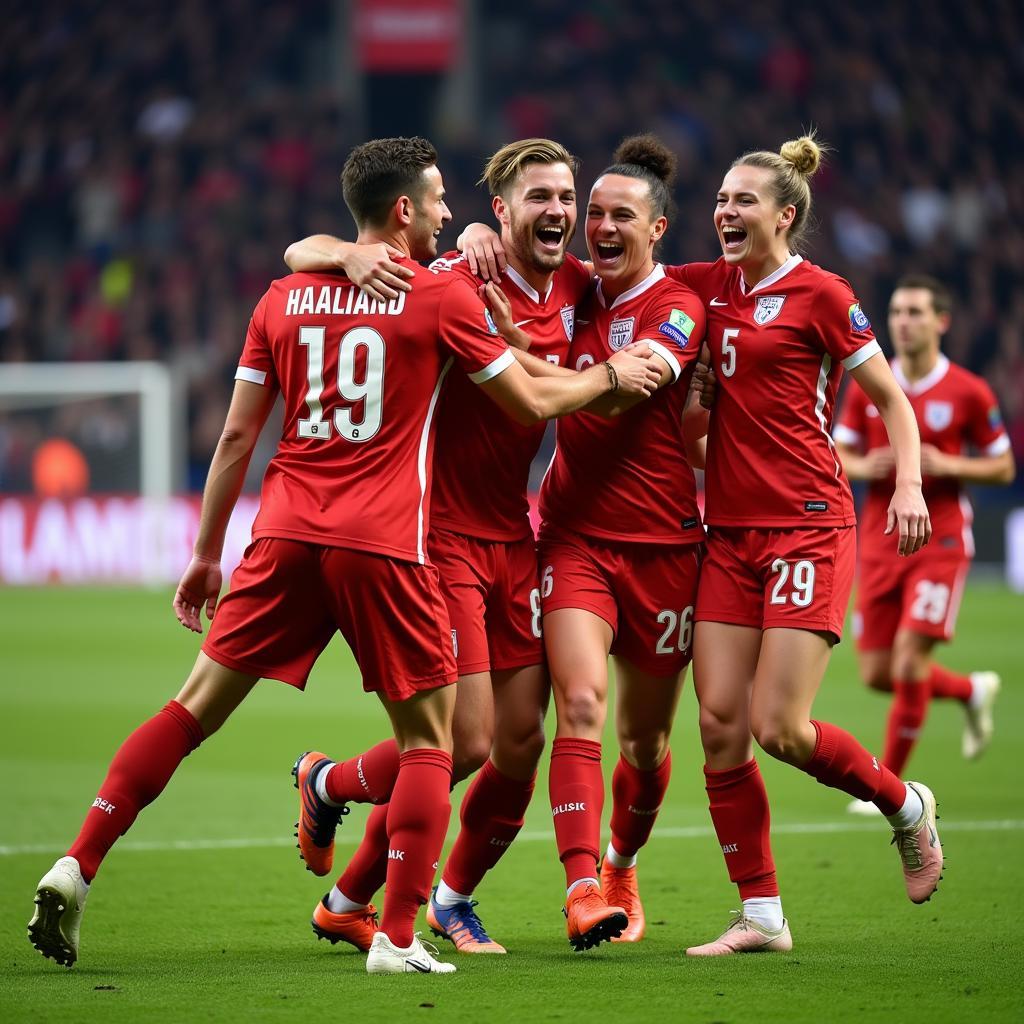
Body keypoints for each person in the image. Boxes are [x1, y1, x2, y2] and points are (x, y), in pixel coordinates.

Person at [27, 136, 660, 976]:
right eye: (438, 201)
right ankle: (396, 934)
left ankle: (80, 859)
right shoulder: (443, 294)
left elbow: (232, 442)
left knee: (190, 711)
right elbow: (533, 395)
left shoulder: (284, 295)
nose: (449, 214)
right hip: (395, 540)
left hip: (291, 530)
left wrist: (206, 553)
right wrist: (615, 374)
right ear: (410, 210)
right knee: (442, 743)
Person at [282, 138, 595, 955]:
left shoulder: (583, 288)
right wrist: (348, 251)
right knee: (464, 742)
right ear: (501, 211)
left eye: (567, 196)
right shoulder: (453, 276)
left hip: (514, 536)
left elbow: (653, 289)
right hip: (440, 534)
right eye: (538, 197)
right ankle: (356, 830)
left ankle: (355, 881)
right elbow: (306, 251)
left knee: (519, 740)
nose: (557, 211)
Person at [667, 134, 941, 957]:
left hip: (808, 527)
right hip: (730, 536)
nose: (724, 211)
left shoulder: (823, 295)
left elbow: (892, 399)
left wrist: (908, 484)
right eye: (720, 199)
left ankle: (905, 806)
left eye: (743, 200)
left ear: (785, 215)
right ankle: (761, 917)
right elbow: (617, 274)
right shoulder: (706, 288)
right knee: (718, 725)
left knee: (777, 728)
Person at [500, 135, 708, 950]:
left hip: (664, 550)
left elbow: (623, 398)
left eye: (623, 215)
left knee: (646, 745)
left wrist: (532, 382)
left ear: (657, 230)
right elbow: (509, 254)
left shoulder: (681, 303)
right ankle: (584, 887)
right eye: (595, 213)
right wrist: (483, 238)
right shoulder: (574, 288)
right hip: (574, 537)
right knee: (580, 706)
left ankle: (623, 862)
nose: (601, 226)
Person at [834, 275, 1014, 810]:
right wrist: (869, 465)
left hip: (941, 541)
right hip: (879, 542)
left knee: (910, 663)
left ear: (941, 321)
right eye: (896, 312)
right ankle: (969, 690)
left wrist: (950, 464)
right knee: (877, 674)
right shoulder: (870, 382)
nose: (902, 322)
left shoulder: (968, 391)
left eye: (915, 312)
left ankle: (887, 788)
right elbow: (837, 453)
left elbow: (1003, 466)